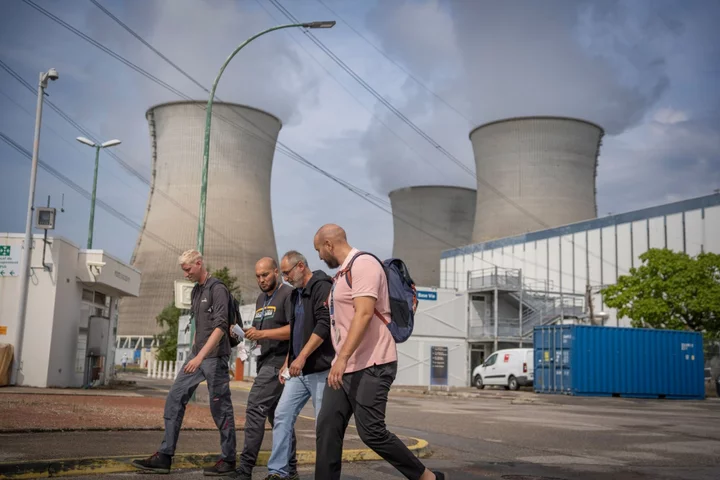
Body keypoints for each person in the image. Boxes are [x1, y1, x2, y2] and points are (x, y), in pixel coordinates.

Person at [313, 225, 445, 480]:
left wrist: (340, 358)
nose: (319, 256)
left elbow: (363, 314)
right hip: (346, 365)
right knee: (327, 426)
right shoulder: (341, 275)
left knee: (371, 431)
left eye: (319, 249)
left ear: (329, 244)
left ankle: (426, 477)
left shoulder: (363, 265)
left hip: (372, 363)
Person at [131, 249, 236, 476]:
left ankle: (228, 460)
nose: (185, 273)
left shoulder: (217, 289)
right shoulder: (196, 291)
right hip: (197, 356)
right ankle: (165, 456)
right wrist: (194, 353)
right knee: (174, 398)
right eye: (183, 270)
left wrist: (199, 357)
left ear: (199, 263)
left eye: (188, 269)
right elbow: (200, 326)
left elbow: (220, 327)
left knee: (220, 409)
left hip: (214, 358)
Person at [264, 250, 334, 480]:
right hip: (298, 371)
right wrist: (288, 362)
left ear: (301, 266)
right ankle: (279, 472)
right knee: (282, 415)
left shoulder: (322, 287)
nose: (284, 278)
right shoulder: (295, 295)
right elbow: (294, 331)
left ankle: (325, 475)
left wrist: (302, 356)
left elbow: (324, 325)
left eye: (287, 273)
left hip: (321, 370)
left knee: (323, 426)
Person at [230, 257, 297, 480]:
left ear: (276, 272)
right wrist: (247, 333)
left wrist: (263, 334)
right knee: (279, 416)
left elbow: (294, 330)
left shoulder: (288, 294)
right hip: (263, 361)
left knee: (254, 407)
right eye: (258, 276)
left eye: (265, 275)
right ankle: (292, 469)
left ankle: (245, 468)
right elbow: (262, 330)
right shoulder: (261, 298)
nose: (261, 279)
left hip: (279, 362)